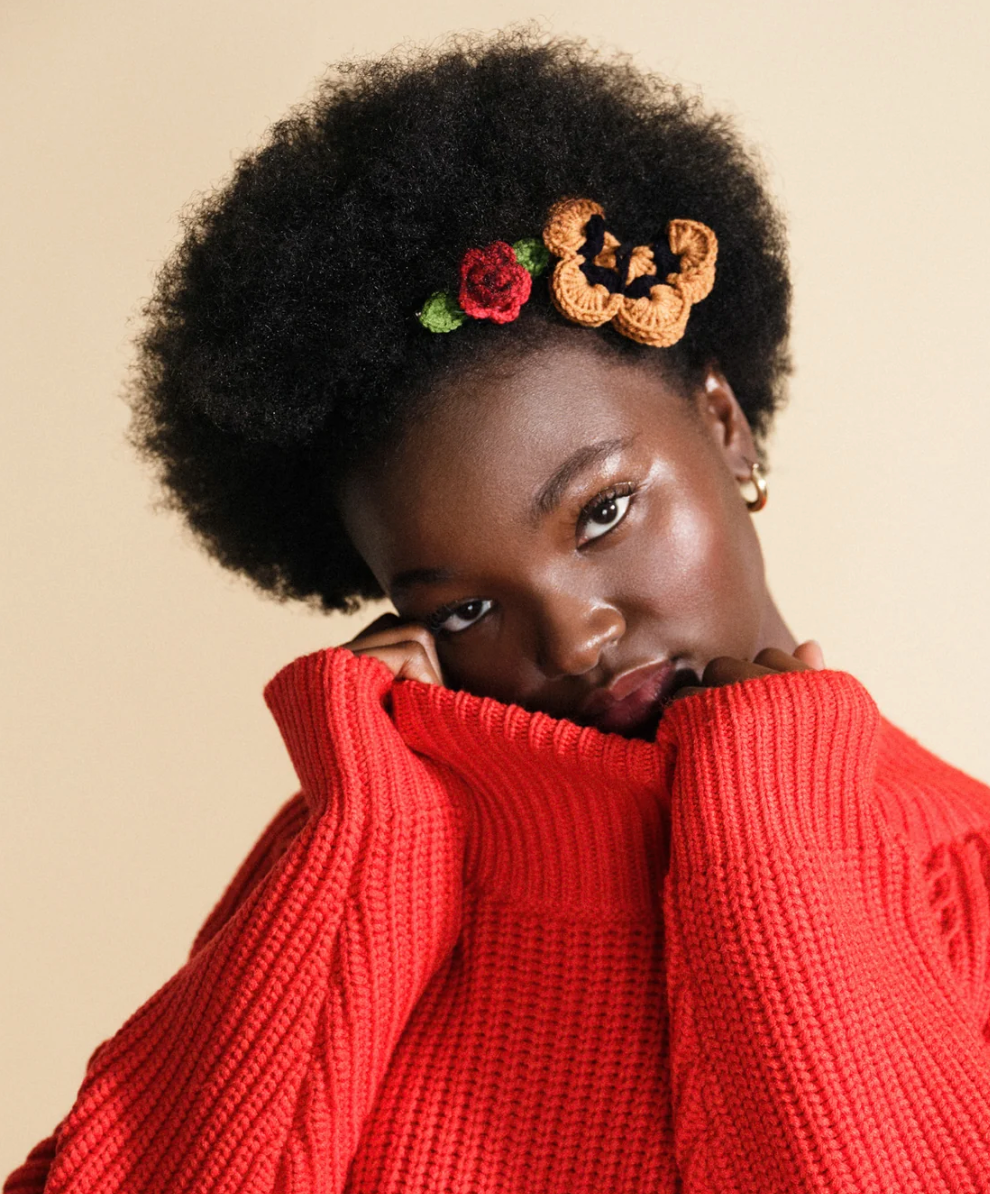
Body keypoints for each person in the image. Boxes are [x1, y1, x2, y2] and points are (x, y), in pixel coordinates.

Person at [6, 29, 990, 1194]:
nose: (573, 640)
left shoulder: (962, 875)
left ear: (724, 425)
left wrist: (773, 841)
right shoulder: (350, 869)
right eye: (469, 606)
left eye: (603, 512)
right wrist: (365, 831)